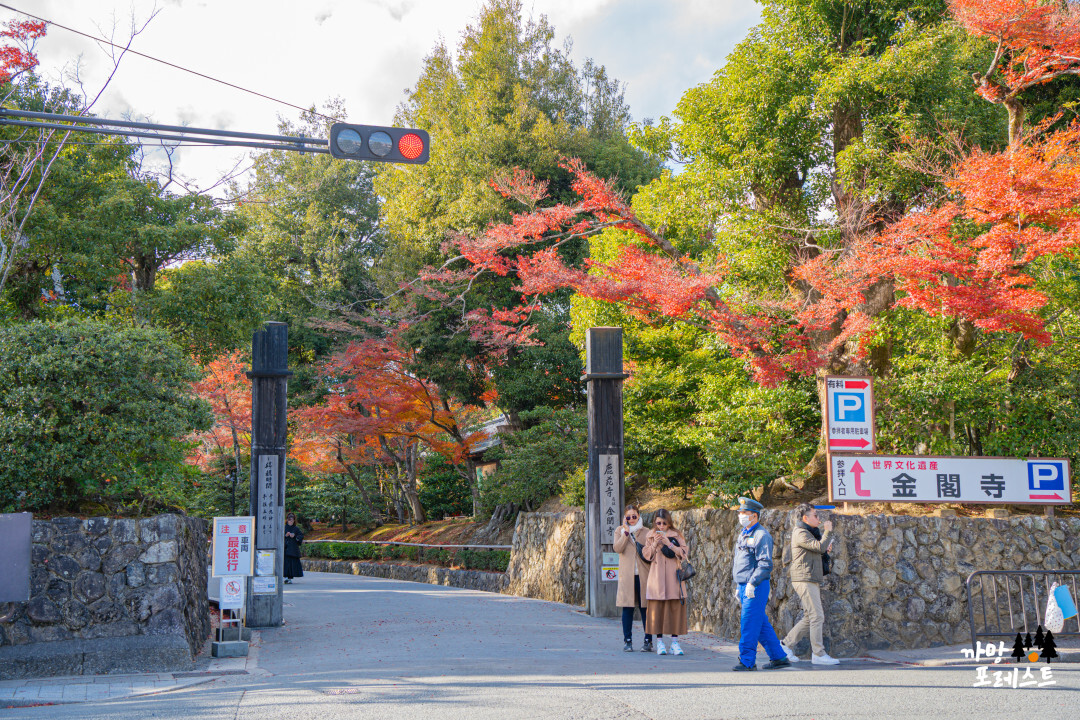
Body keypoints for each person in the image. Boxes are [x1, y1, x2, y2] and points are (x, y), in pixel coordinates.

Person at [731, 497, 789, 671]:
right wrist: (739, 585)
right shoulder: (744, 533)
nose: (741, 516)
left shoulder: (761, 535)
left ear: (754, 516)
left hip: (755, 586)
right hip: (744, 585)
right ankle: (779, 657)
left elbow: (765, 564)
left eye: (744, 513)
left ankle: (747, 661)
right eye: (740, 513)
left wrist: (751, 583)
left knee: (749, 622)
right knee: (760, 623)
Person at [780, 503, 839, 665]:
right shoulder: (800, 533)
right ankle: (818, 654)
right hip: (804, 579)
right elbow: (818, 547)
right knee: (817, 616)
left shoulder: (808, 533)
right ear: (805, 518)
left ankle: (785, 646)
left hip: (809, 577)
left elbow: (817, 550)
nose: (818, 518)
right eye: (815, 515)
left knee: (809, 617)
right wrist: (828, 531)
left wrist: (825, 547)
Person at [642, 508, 689, 656]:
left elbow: (684, 554)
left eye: (664, 523)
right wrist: (655, 544)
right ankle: (660, 642)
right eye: (658, 523)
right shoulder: (650, 536)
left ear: (669, 523)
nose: (661, 526)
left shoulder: (676, 535)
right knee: (658, 611)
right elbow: (647, 556)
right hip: (656, 578)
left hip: (673, 578)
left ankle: (675, 643)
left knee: (675, 609)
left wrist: (669, 544)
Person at [613, 504, 653, 652]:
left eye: (634, 516)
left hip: (643, 575)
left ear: (639, 515)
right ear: (625, 518)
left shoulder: (646, 532)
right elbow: (617, 549)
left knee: (645, 608)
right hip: (627, 576)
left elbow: (651, 553)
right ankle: (627, 640)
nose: (631, 519)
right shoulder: (619, 531)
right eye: (628, 517)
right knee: (627, 608)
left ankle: (648, 640)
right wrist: (626, 534)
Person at [284, 513, 304, 584]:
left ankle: (289, 578)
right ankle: (285, 577)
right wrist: (285, 535)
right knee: (285, 563)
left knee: (292, 564)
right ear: (287, 520)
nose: (291, 521)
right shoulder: (284, 527)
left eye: (292, 520)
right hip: (285, 549)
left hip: (293, 549)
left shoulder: (296, 528)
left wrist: (295, 536)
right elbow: (279, 536)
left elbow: (301, 535)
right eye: (289, 520)